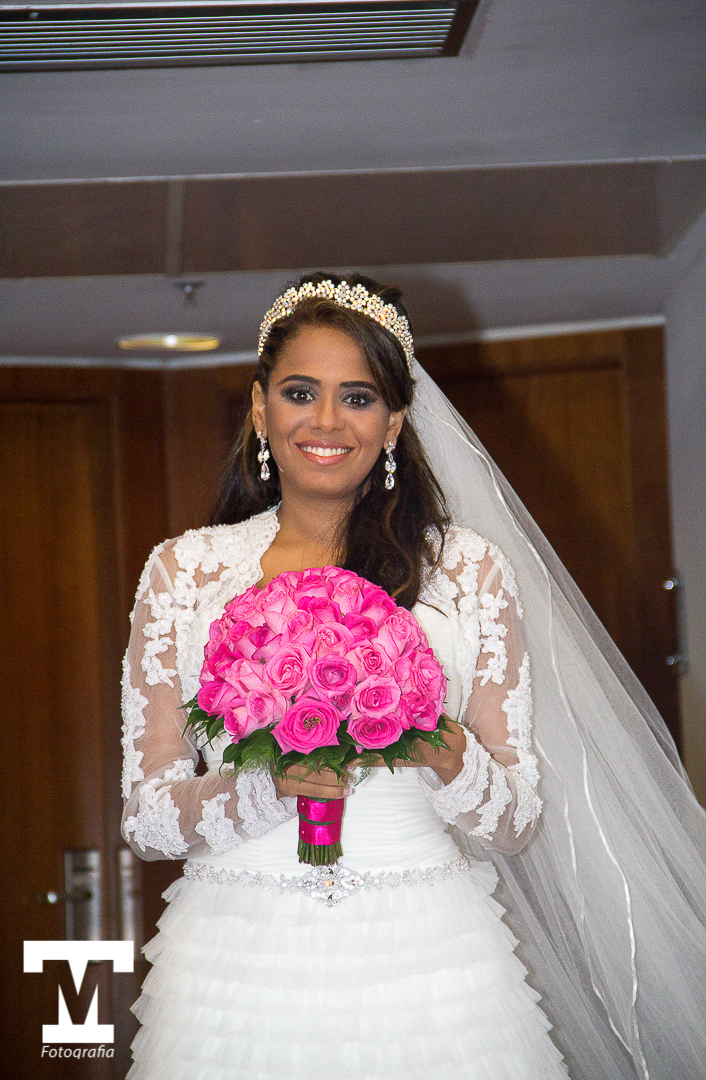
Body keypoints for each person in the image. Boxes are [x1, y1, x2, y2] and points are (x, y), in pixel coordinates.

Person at [121, 273, 706, 1080]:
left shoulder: (465, 572)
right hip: (235, 952)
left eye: (357, 398)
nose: (327, 421)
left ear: (394, 422)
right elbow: (148, 818)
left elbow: (515, 821)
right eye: (300, 392)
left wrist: (441, 750)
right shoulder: (185, 571)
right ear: (260, 409)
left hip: (431, 951)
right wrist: (265, 788)